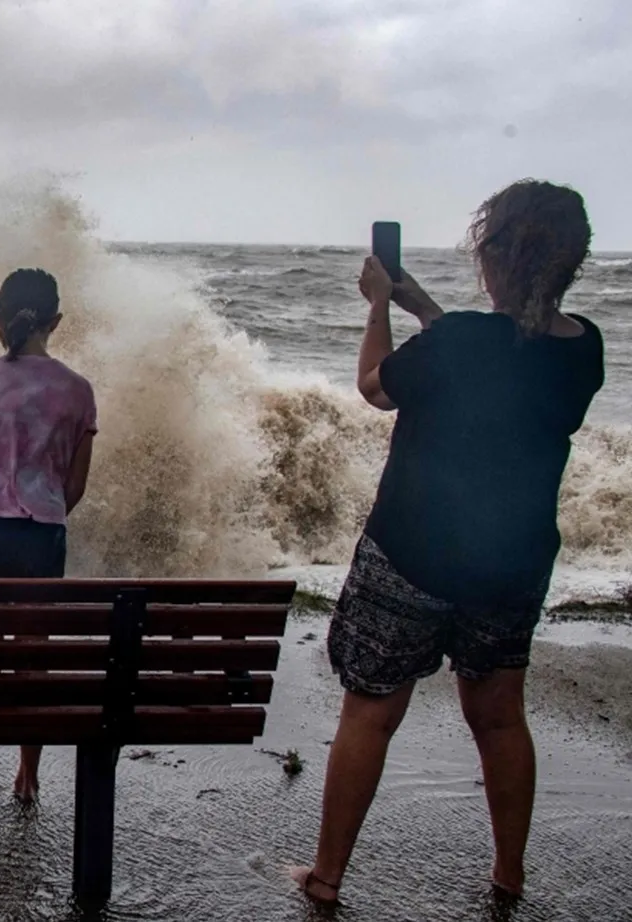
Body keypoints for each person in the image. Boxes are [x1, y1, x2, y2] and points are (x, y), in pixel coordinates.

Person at [292, 180, 604, 904]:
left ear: (493, 257)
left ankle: (327, 878)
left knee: (371, 710)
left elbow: (376, 385)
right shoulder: (584, 348)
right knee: (498, 716)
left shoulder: (464, 340)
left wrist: (378, 306)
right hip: (512, 565)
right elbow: (498, 358)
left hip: (412, 553)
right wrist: (425, 309)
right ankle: (509, 875)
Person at [0, 268, 97, 805]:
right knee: (34, 657)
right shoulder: (78, 391)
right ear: (55, 321)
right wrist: (42, 509)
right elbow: (74, 486)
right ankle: (28, 778)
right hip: (42, 535)